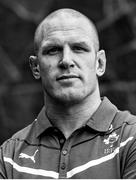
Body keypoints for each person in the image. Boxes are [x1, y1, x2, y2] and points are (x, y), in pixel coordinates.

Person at [0, 8, 136, 179]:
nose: (66, 60)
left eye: (79, 48)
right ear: (35, 67)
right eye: (53, 50)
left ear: (100, 63)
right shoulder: (9, 156)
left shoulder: (131, 138)